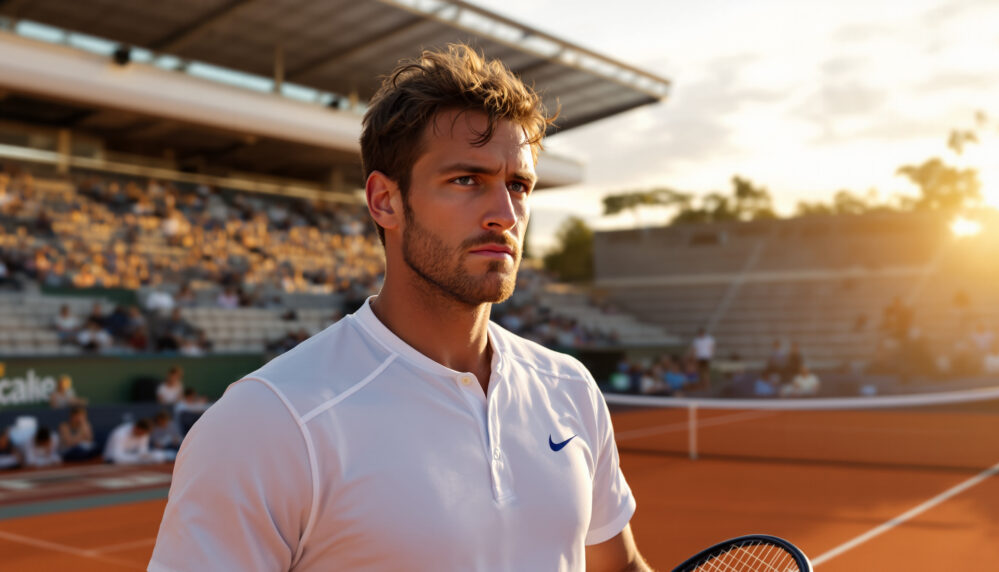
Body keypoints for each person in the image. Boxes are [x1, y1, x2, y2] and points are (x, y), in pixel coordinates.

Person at [151, 45, 649, 571]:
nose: (504, 214)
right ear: (385, 201)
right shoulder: (269, 422)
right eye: (466, 180)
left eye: (518, 186)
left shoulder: (569, 387)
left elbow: (622, 565)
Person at [104, 419, 168, 465]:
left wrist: (146, 456)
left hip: (134, 458)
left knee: (159, 455)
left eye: (144, 434)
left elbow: (142, 451)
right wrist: (139, 458)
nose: (142, 436)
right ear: (136, 428)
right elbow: (116, 456)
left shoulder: (144, 435)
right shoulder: (120, 434)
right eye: (141, 433)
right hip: (113, 460)